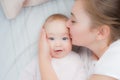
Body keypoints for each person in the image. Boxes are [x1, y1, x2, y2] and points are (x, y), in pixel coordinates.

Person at [39, 0, 120, 80]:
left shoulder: (116, 55)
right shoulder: (85, 55)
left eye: (73, 21)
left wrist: (44, 58)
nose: (67, 24)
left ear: (101, 32)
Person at [20, 14, 88, 80]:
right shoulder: (38, 60)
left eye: (64, 38)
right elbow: (26, 75)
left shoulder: (76, 59)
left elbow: (82, 76)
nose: (58, 44)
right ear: (43, 40)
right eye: (52, 38)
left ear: (71, 39)